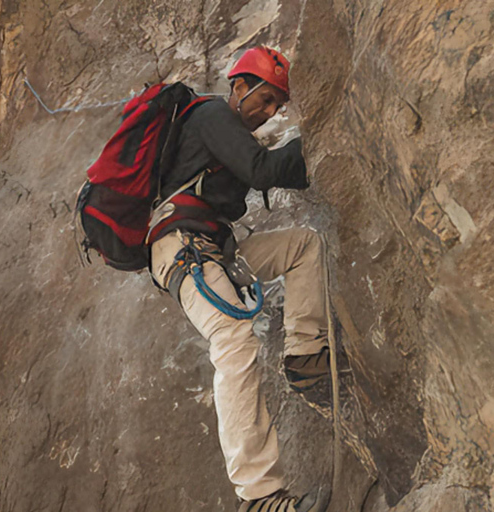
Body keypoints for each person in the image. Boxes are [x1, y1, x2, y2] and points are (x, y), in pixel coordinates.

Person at [147, 46, 331, 512]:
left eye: (277, 106)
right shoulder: (212, 115)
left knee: (304, 246)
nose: (270, 113)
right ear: (239, 86)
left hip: (215, 250)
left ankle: (306, 357)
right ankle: (259, 496)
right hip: (184, 250)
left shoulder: (227, 126)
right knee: (233, 341)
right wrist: (328, 139)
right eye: (265, 99)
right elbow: (262, 170)